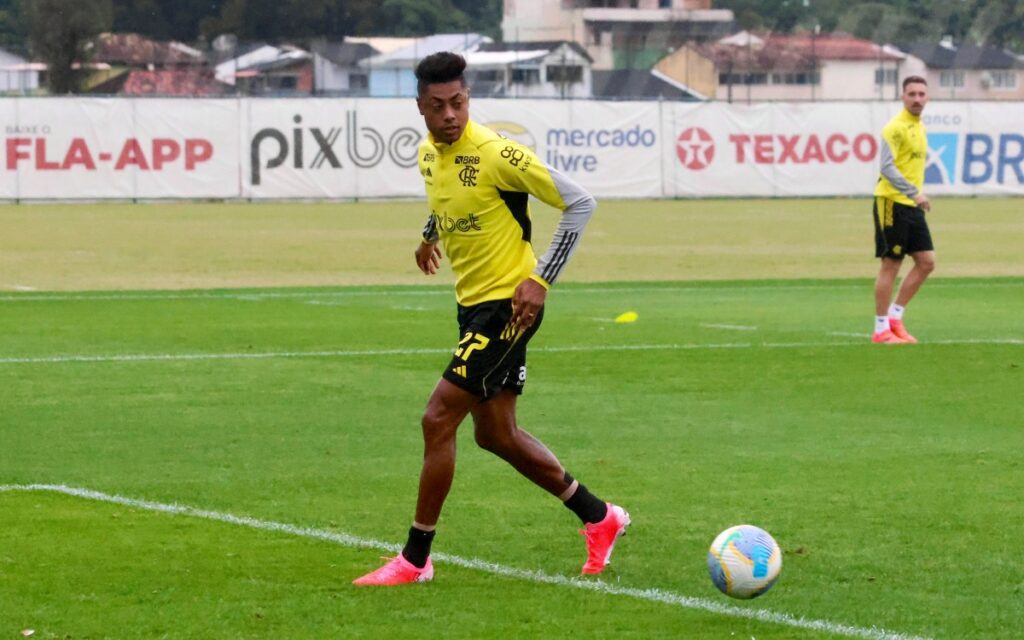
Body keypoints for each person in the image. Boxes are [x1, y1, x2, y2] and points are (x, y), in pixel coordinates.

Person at [353, 52, 630, 586]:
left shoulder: (497, 152)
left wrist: (541, 279)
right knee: (496, 435)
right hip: (472, 305)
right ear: (421, 108)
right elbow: (449, 200)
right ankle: (600, 516)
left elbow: (581, 203)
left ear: (467, 99)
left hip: (510, 306)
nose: (450, 114)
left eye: (458, 102)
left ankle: (415, 559)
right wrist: (429, 236)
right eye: (438, 106)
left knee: (437, 419)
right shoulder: (428, 155)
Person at [871, 75, 936, 344]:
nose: (917, 99)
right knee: (892, 264)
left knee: (926, 263)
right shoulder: (895, 128)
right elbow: (886, 167)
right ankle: (880, 329)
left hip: (912, 205)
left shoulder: (920, 128)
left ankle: (895, 317)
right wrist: (914, 192)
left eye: (922, 94)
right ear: (903, 97)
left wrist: (915, 196)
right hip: (892, 202)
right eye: (912, 94)